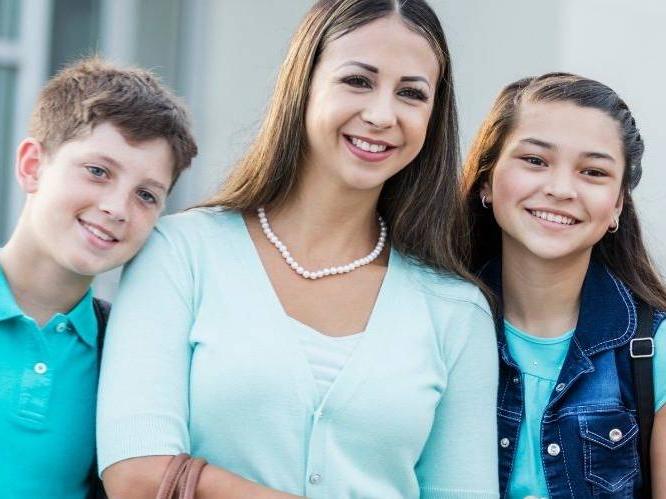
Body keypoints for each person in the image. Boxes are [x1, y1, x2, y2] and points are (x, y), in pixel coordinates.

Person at [97, 0, 500, 498]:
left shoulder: (457, 311)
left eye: (412, 94)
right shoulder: (180, 253)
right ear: (304, 83)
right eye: (358, 80)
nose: (381, 114)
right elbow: (135, 475)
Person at [0, 57, 197, 498]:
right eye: (98, 172)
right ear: (33, 166)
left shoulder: (131, 358)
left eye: (146, 195)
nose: (117, 207)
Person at [461, 72, 666, 498]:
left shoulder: (656, 348)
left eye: (593, 172)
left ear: (616, 206)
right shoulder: (434, 322)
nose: (560, 189)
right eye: (535, 161)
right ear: (487, 179)